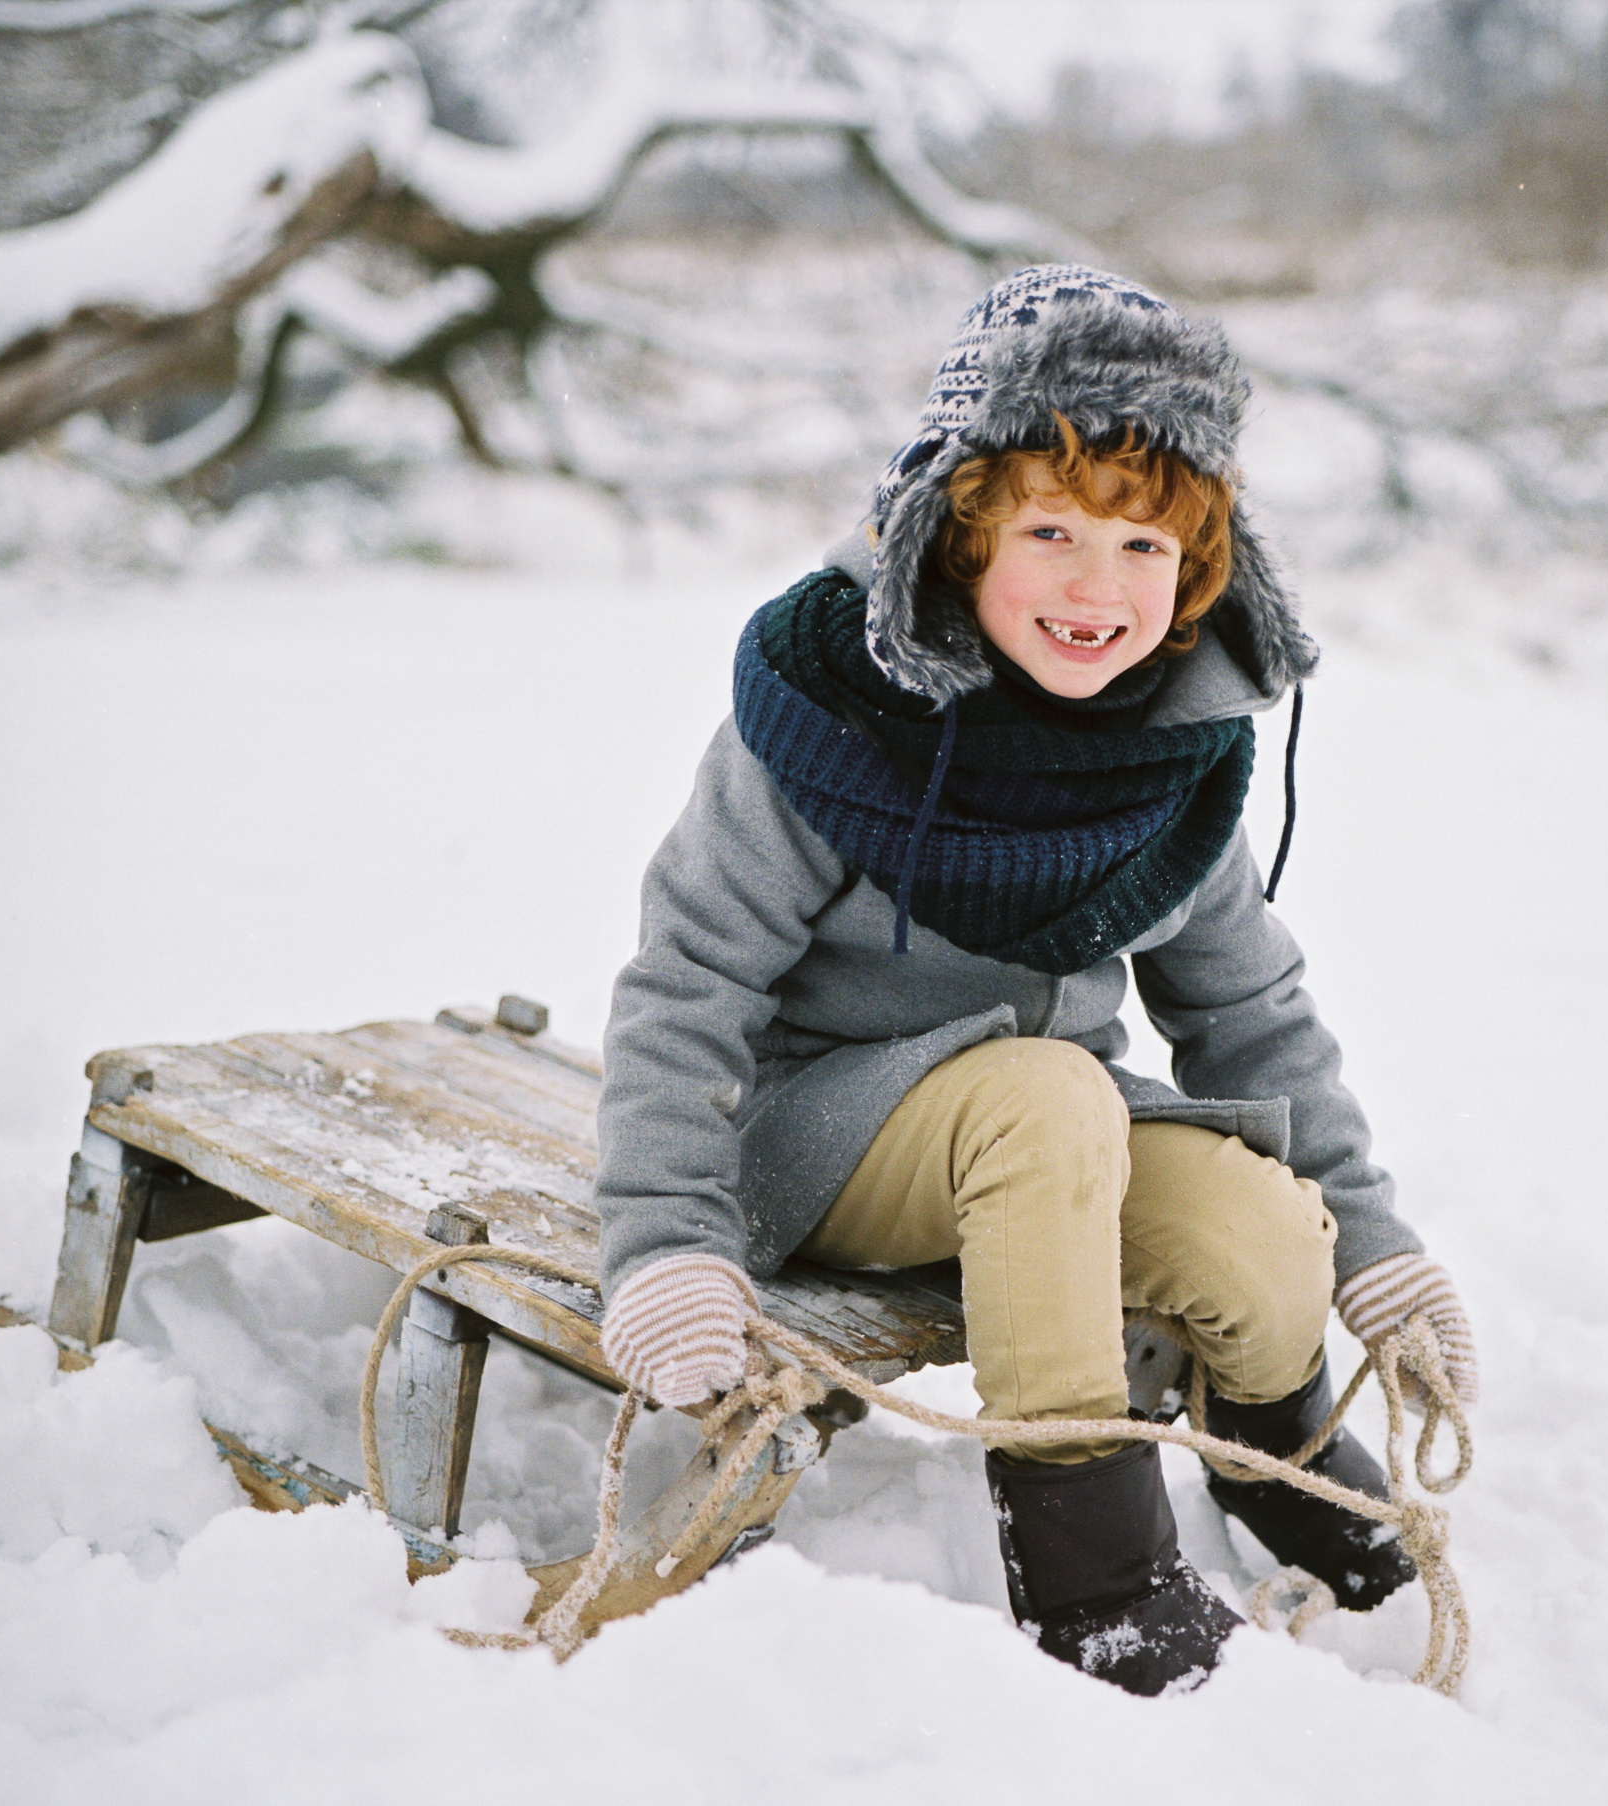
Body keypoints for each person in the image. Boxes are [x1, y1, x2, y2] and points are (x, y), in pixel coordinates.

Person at [590, 264, 1477, 1696]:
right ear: (958, 531)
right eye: (1050, 530)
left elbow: (1251, 1013)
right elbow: (686, 978)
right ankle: (1092, 1570)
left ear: (1196, 567)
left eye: (1143, 547)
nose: (1096, 585)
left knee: (1258, 1230)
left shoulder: (1167, 744)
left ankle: (1275, 1455)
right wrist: (663, 1238)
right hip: (816, 1142)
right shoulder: (831, 707)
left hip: (1040, 1155)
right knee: (1049, 1098)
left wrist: (1373, 1248)